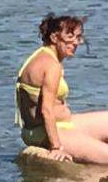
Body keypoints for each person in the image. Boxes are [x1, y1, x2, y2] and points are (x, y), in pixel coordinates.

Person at [16, 14, 108, 164]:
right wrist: (56, 147)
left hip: (49, 127)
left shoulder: (39, 55)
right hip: (47, 132)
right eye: (70, 37)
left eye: (78, 37)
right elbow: (46, 110)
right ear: (54, 37)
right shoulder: (51, 66)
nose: (76, 42)